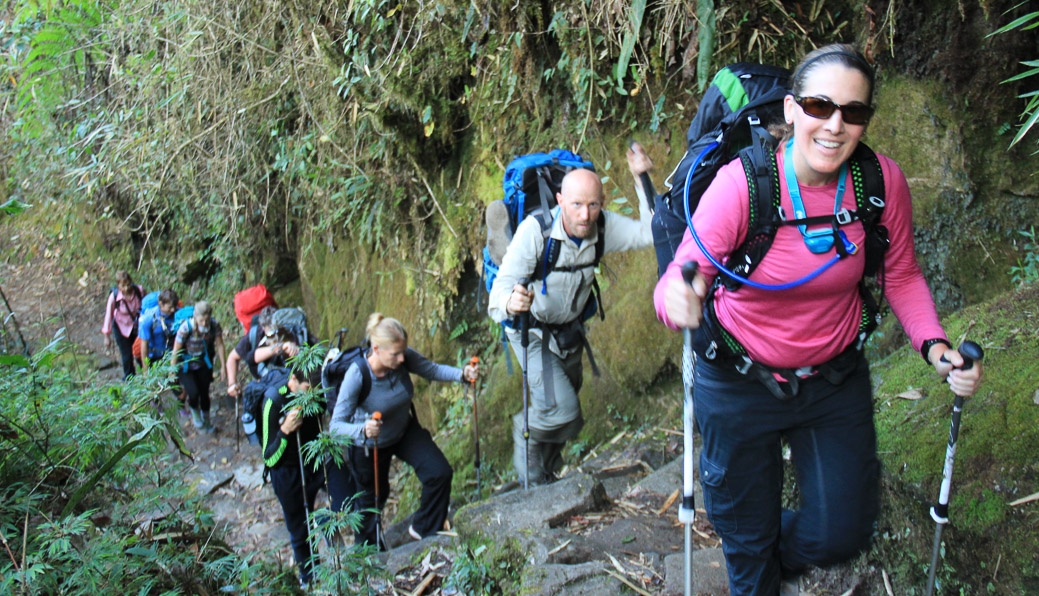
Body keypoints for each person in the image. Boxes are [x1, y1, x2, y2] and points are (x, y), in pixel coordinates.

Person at [653, 43, 984, 595]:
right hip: (737, 382)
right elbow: (680, 277)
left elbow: (899, 275)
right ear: (790, 110)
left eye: (853, 112)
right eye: (818, 106)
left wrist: (935, 346)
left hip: (832, 379)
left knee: (840, 532)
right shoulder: (744, 185)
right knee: (750, 560)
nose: (835, 125)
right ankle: (752, 561)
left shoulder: (879, 185)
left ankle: (759, 554)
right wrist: (680, 299)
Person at [488, 143, 654, 486]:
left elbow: (649, 232)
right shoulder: (537, 232)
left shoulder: (602, 227)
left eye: (593, 205)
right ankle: (527, 450)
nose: (584, 215)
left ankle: (544, 476)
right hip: (530, 333)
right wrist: (510, 303)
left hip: (569, 333)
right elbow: (497, 295)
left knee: (564, 416)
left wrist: (642, 180)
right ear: (561, 200)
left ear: (602, 204)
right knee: (562, 411)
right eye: (576, 205)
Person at [329, 313, 478, 547]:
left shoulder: (403, 356)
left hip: (403, 430)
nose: (401, 359)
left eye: (403, 352)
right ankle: (368, 558)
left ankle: (425, 529)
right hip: (369, 445)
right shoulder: (357, 375)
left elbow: (431, 370)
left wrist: (461, 374)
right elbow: (335, 426)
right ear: (376, 349)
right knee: (372, 503)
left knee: (438, 472)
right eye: (395, 354)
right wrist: (363, 429)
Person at [261, 361, 326, 589]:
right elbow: (269, 457)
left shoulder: (318, 392)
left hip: (315, 460)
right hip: (287, 470)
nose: (311, 398)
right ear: (293, 382)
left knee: (340, 498)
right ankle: (310, 579)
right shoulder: (274, 400)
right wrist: (285, 430)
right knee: (299, 528)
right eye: (307, 392)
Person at [172, 301, 227, 433]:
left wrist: (223, 367)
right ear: (195, 316)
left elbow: (220, 344)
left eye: (206, 320)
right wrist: (172, 371)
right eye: (201, 320)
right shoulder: (186, 328)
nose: (204, 323)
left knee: (204, 393)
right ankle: (197, 420)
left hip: (203, 363)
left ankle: (207, 422)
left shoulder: (214, 325)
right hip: (186, 366)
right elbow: (176, 350)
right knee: (193, 393)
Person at [224, 306, 296, 398]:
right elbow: (233, 357)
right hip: (263, 385)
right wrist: (232, 384)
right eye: (271, 333)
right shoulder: (255, 335)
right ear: (263, 327)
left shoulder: (289, 333)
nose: (275, 337)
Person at [101, 270, 145, 379]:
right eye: (123, 286)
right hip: (121, 328)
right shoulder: (114, 297)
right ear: (118, 285)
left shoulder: (139, 291)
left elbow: (146, 305)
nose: (126, 288)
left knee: (140, 351)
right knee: (127, 356)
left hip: (137, 327)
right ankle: (130, 380)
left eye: (128, 284)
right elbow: (108, 316)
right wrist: (107, 336)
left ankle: (147, 374)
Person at [138, 288, 179, 366]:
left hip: (170, 356)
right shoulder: (149, 319)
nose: (173, 310)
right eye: (170, 307)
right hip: (153, 358)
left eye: (174, 306)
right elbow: (144, 345)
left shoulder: (178, 314)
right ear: (161, 304)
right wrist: (146, 370)